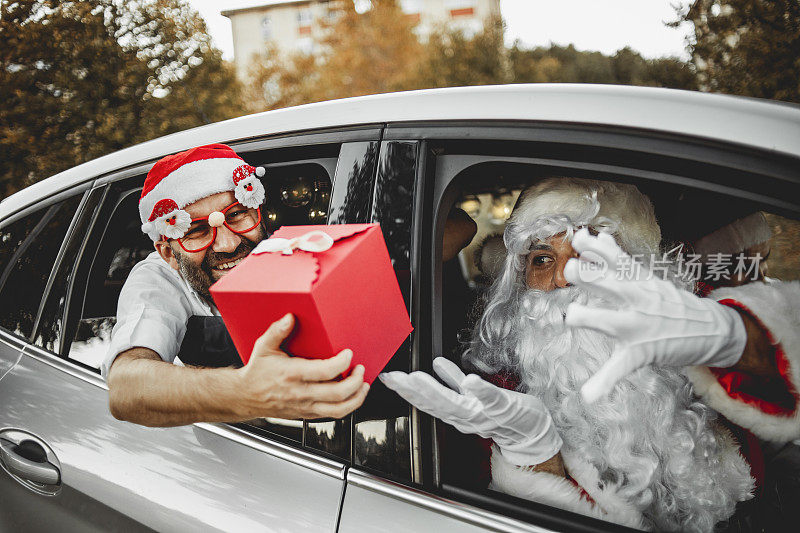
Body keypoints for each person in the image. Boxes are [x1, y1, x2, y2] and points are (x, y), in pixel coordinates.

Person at [381, 178, 800, 531]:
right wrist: (534, 454)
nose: (565, 278)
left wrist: (740, 342)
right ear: (521, 283)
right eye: (543, 259)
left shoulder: (689, 347)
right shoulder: (491, 399)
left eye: (592, 256)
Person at [104, 144, 369, 427]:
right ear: (168, 253)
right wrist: (247, 392)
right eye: (196, 231)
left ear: (259, 214)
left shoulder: (297, 248)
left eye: (236, 216)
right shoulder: (157, 279)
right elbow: (125, 387)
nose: (228, 244)